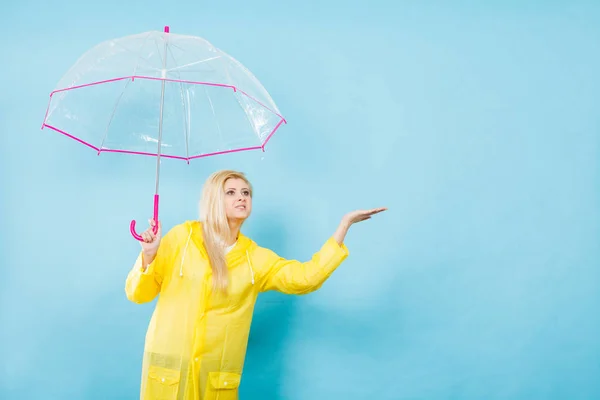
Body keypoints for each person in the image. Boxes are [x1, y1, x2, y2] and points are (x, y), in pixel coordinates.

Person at [125, 170, 386, 400]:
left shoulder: (255, 258)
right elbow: (138, 294)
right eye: (231, 192)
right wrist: (149, 254)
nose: (241, 197)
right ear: (214, 199)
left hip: (215, 380)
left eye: (246, 192)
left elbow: (306, 278)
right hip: (170, 373)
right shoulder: (181, 238)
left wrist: (344, 226)